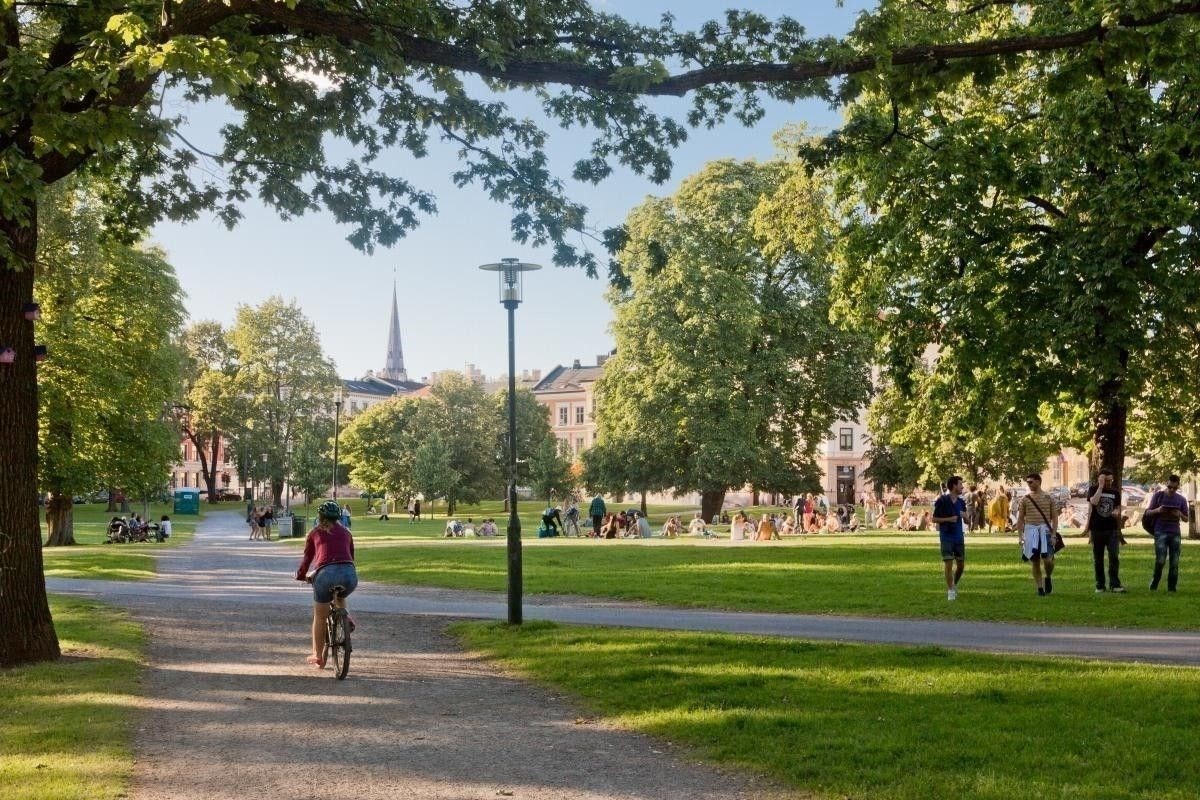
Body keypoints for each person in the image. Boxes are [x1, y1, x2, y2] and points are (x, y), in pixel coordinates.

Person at [295, 500, 358, 669]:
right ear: (338, 517)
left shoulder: (315, 532)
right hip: (349, 575)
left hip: (325, 575)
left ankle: (317, 656)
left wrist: (301, 576)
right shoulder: (347, 532)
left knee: (320, 616)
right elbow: (350, 557)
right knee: (341, 594)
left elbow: (307, 559)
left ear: (320, 516)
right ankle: (347, 618)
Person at [1145, 474, 1189, 592]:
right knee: (1161, 560)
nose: (1171, 490)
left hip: (1175, 532)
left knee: (1174, 562)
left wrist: (1179, 514)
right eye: (1169, 487)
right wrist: (1158, 510)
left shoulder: (1181, 499)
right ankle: (1155, 582)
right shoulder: (1158, 496)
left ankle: (1172, 588)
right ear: (1166, 484)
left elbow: (1186, 519)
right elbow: (1148, 512)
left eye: (1174, 488)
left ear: (1177, 487)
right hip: (1160, 531)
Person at [1016, 473, 1057, 596]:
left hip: (1045, 532)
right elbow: (1020, 519)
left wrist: (1054, 534)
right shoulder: (1025, 499)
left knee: (1048, 560)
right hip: (1030, 532)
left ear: (1038, 482)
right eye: (1027, 482)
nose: (1028, 484)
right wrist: (1020, 537)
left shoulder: (1049, 498)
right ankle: (1040, 588)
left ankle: (1048, 577)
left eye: (1031, 482)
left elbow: (1054, 517)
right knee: (1035, 561)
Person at [1086, 468, 1125, 593]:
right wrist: (1101, 487)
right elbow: (1094, 501)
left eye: (1110, 480)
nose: (1109, 483)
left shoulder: (1115, 492)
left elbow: (1118, 508)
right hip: (1097, 529)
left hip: (1112, 529)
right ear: (1100, 479)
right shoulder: (1093, 489)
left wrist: (1116, 512)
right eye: (1106, 480)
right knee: (1098, 558)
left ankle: (1115, 584)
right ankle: (1100, 584)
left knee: (1114, 556)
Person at [931, 475, 967, 601]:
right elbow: (934, 519)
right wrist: (949, 519)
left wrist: (965, 516)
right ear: (953, 486)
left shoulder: (962, 502)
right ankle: (950, 590)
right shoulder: (942, 500)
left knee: (961, 565)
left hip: (959, 537)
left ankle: (954, 584)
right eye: (960, 484)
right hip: (946, 537)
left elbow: (967, 520)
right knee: (948, 564)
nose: (962, 487)